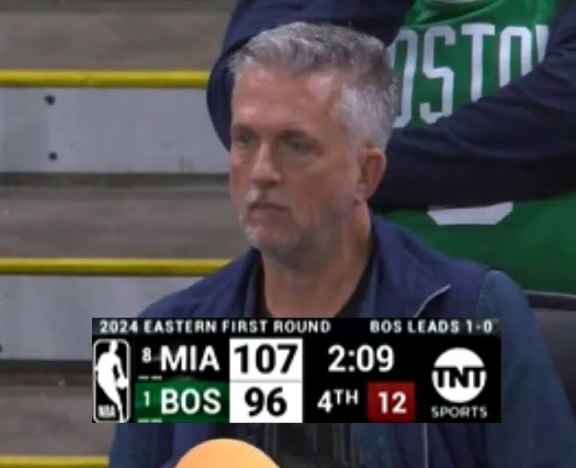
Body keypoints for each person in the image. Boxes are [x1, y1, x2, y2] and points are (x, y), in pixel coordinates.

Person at [109, 23, 576, 468]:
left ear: (366, 174)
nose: (262, 171)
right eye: (244, 140)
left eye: (296, 145)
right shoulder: (158, 337)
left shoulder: (473, 314)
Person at [206, 0, 576, 295]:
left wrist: (345, 170)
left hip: (556, 308)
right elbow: (247, 96)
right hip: (360, 312)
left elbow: (559, 119)